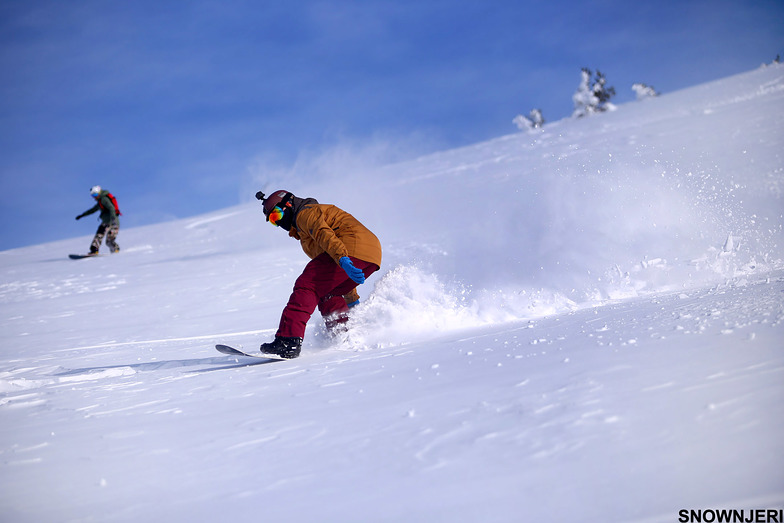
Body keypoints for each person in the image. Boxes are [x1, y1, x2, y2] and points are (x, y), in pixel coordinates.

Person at [255, 189, 382, 359]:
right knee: (328, 293)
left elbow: (325, 234)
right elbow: (330, 272)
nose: (278, 222)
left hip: (351, 247)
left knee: (308, 284)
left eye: (277, 215)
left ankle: (288, 340)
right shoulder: (304, 235)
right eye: (273, 221)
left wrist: (343, 258)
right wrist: (351, 300)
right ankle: (344, 335)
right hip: (370, 255)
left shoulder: (305, 214)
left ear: (288, 204)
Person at [75, 185, 121, 254]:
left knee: (99, 234)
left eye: (95, 194)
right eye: (93, 195)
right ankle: (115, 250)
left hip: (108, 222)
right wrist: (82, 215)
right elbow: (92, 210)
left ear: (99, 193)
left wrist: (112, 218)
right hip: (116, 223)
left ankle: (94, 250)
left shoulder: (103, 199)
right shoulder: (100, 202)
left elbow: (111, 208)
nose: (95, 197)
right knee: (109, 241)